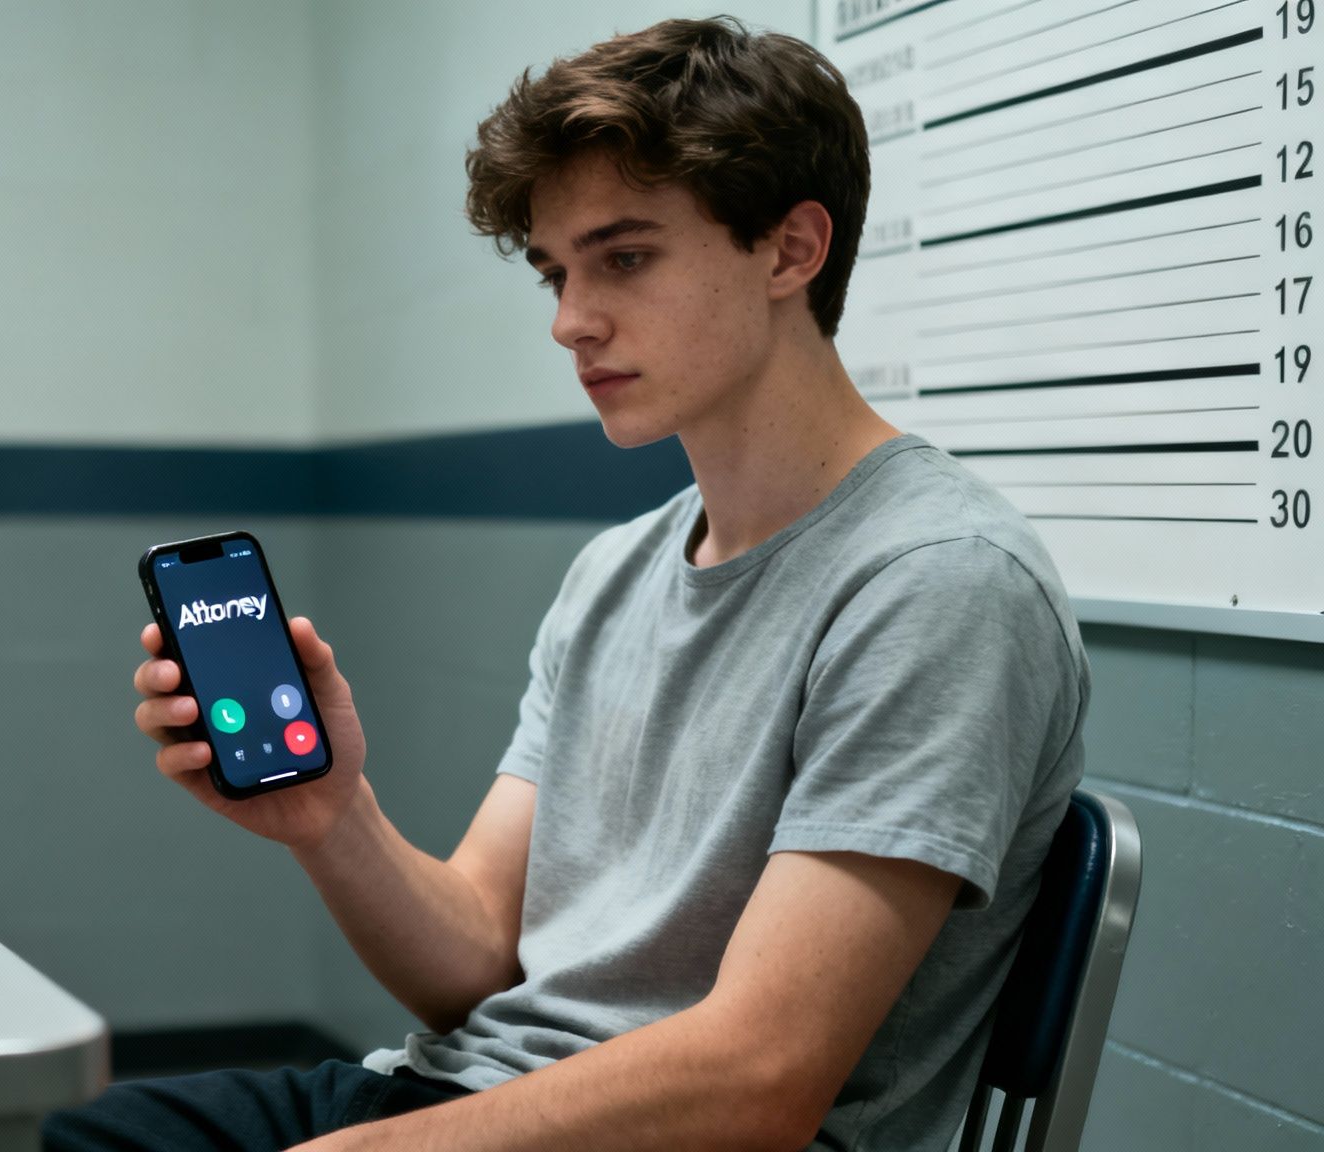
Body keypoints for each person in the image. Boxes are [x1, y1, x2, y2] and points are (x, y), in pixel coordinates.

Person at [53, 18, 1088, 1152]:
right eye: (555, 272)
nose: (568, 321)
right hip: (472, 1099)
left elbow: (758, 1077)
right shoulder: (614, 570)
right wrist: (330, 818)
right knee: (73, 1136)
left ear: (790, 251)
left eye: (624, 257)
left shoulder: (939, 584)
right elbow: (474, 970)